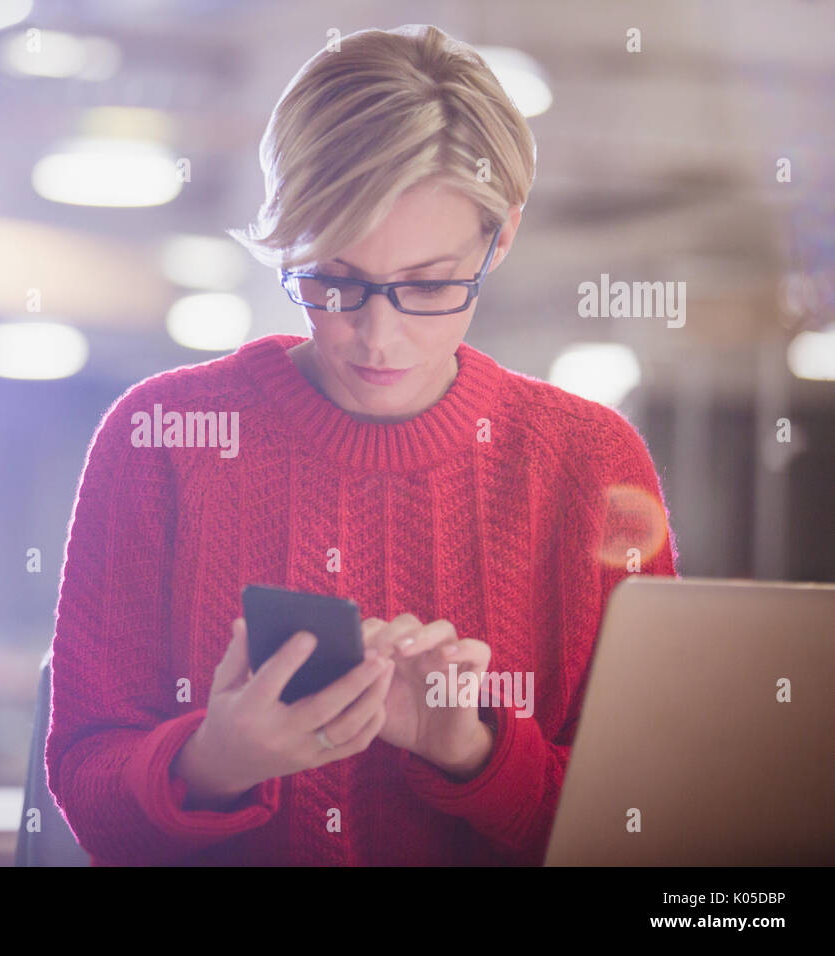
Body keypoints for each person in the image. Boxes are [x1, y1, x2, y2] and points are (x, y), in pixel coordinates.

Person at [45, 23, 679, 866]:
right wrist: (215, 762)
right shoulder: (160, 441)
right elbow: (86, 786)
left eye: (429, 284)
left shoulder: (590, 463)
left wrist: (478, 754)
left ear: (503, 235)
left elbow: (650, 827)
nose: (377, 338)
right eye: (333, 280)